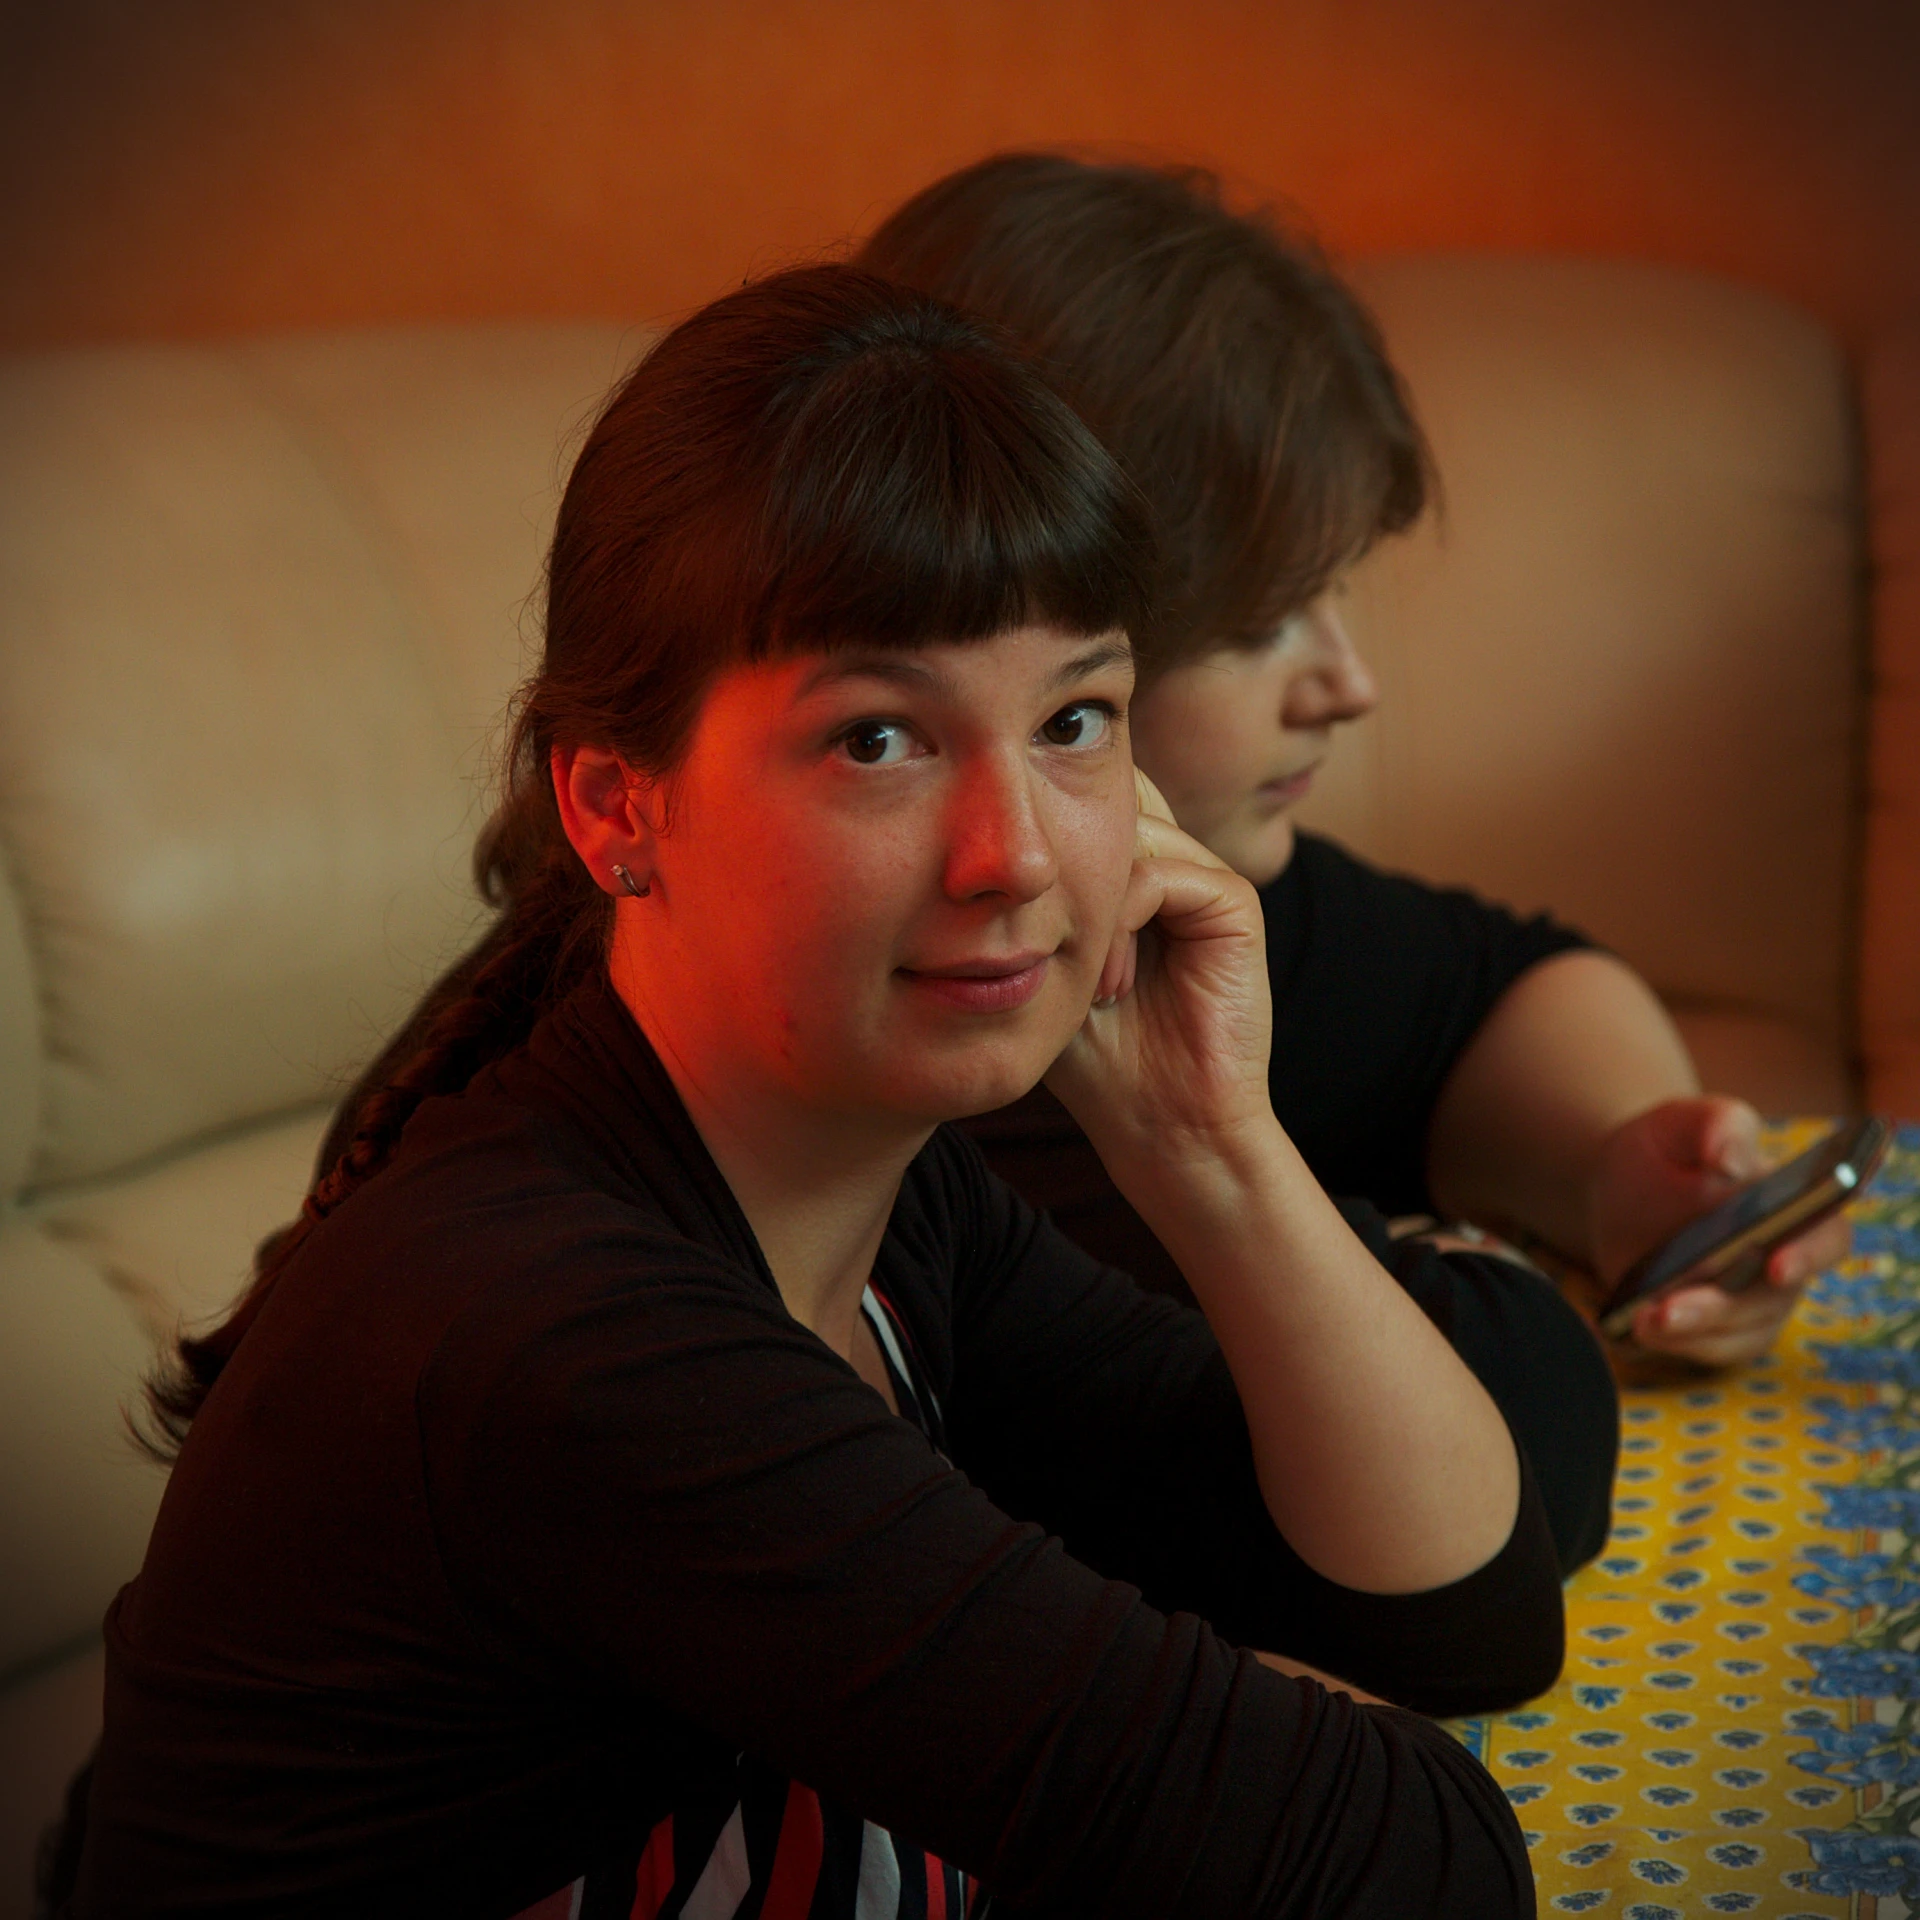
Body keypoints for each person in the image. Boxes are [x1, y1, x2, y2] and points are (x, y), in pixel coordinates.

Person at [68, 267, 1554, 1919]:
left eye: (1075, 719)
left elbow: (1462, 1616)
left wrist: (1211, 1148)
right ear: (615, 808)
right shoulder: (567, 1341)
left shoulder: (896, 1198)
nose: (1010, 858)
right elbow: (1409, 1864)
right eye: (876, 743)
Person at [857, 153, 1848, 1392]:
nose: (1347, 684)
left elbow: (1496, 985)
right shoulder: (964, 1059)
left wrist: (1618, 1171)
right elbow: (1493, 1407)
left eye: (1334, 599)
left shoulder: (1193, 906)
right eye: (1263, 620)